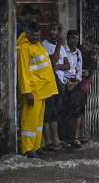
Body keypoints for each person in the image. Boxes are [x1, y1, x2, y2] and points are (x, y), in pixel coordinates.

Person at [17, 22, 58, 158]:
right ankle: (28, 149)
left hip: (43, 90)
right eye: (33, 35)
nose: (35, 37)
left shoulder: (38, 45)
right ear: (27, 33)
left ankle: (36, 146)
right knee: (29, 121)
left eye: (37, 35)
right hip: (33, 91)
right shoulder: (24, 48)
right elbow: (23, 72)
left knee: (38, 121)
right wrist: (27, 92)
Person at [42, 23, 70, 150]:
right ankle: (48, 141)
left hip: (60, 82)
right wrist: (58, 45)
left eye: (55, 30)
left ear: (59, 32)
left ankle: (56, 139)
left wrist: (58, 66)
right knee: (48, 112)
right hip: (49, 82)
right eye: (51, 29)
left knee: (55, 112)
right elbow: (52, 61)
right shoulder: (44, 45)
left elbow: (67, 65)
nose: (53, 32)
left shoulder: (62, 48)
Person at [59, 30, 85, 148]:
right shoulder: (63, 50)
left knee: (77, 110)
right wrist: (66, 82)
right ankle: (66, 138)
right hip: (64, 81)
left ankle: (75, 137)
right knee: (65, 111)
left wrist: (77, 82)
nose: (75, 41)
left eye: (77, 38)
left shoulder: (78, 52)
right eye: (73, 38)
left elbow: (79, 69)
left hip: (75, 82)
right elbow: (60, 68)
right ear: (68, 39)